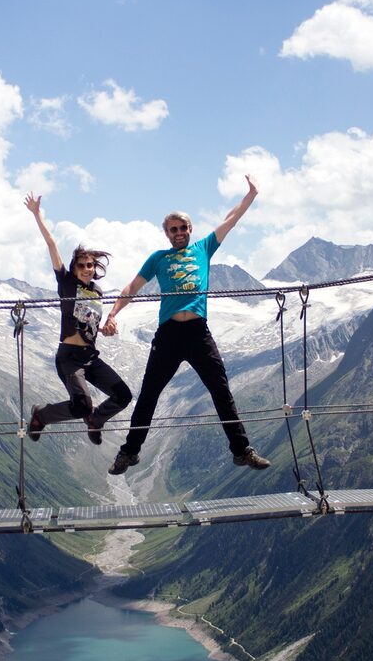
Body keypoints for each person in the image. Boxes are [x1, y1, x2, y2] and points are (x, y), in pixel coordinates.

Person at [100, 175, 271, 475]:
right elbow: (132, 287)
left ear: (190, 230)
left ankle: (242, 451)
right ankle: (129, 452)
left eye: (183, 228)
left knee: (220, 390)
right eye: (173, 229)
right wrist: (113, 314)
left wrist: (251, 195)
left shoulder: (204, 247)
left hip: (198, 333)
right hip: (168, 334)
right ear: (166, 233)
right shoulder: (158, 258)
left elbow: (230, 220)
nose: (178, 233)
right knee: (149, 393)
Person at [23, 193, 134, 445]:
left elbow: (92, 326)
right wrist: (37, 215)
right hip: (69, 357)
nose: (87, 268)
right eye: (82, 265)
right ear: (74, 268)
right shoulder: (66, 283)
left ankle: (96, 420)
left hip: (90, 356)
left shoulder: (97, 292)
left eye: (91, 265)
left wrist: (107, 328)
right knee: (82, 405)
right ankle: (41, 416)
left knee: (123, 395)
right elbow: (52, 245)